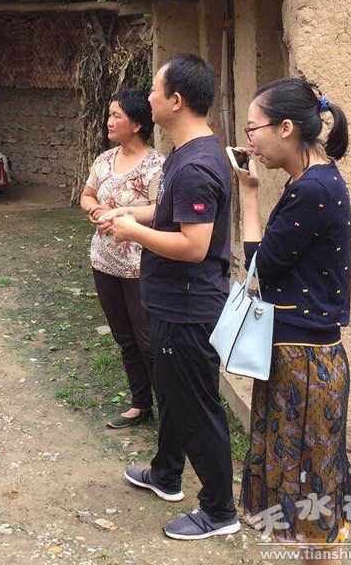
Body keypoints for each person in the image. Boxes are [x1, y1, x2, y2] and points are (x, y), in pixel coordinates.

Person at [103, 54, 240, 539]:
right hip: (171, 302)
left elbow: (194, 245)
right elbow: (170, 214)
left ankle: (220, 510)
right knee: (173, 394)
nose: (149, 98)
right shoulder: (186, 153)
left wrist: (132, 233)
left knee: (196, 406)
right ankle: (166, 473)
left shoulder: (196, 165)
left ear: (175, 100)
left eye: (154, 91)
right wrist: (128, 214)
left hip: (187, 309)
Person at [233, 78, 351, 563]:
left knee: (309, 498)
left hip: (304, 364)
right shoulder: (312, 180)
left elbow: (259, 267)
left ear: (285, 128)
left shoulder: (312, 189)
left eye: (253, 128)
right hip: (302, 356)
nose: (249, 141)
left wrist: (248, 195)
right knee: (309, 492)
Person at [80, 89, 163, 428]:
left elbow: (160, 211)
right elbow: (87, 196)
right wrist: (96, 210)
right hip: (104, 261)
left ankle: (170, 411)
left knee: (147, 341)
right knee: (125, 338)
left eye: (117, 116)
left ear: (137, 124)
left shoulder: (156, 166)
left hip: (140, 266)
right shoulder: (104, 160)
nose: (109, 121)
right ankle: (141, 405)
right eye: (109, 114)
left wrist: (124, 215)